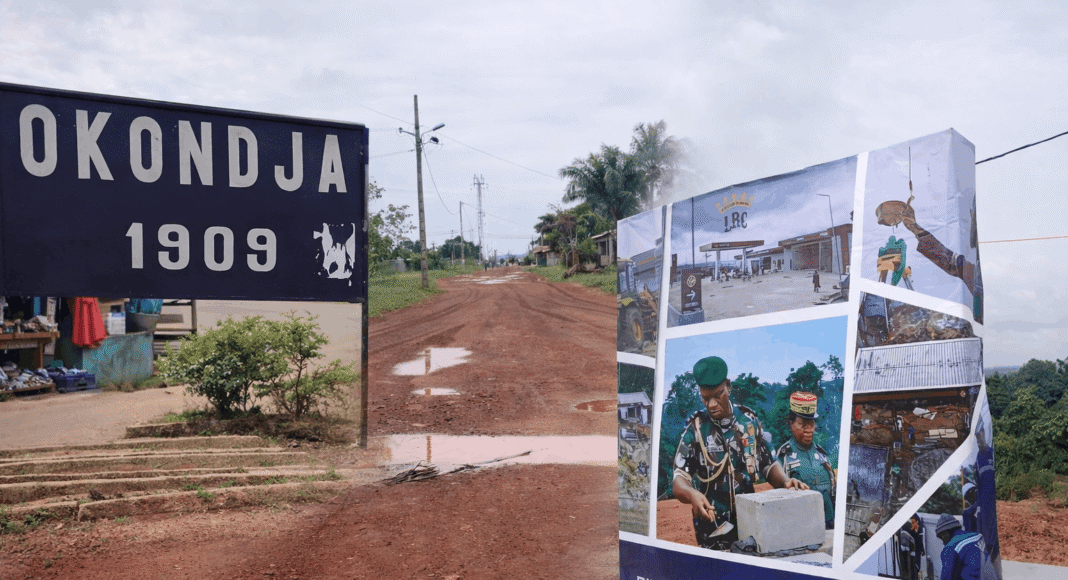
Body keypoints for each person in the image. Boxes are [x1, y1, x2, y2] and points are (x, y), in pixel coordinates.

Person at [672, 356, 809, 550]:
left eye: (717, 395)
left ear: (728, 386)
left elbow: (768, 463)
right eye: (705, 398)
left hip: (749, 524)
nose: (711, 404)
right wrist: (691, 493)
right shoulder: (695, 430)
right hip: (712, 529)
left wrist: (786, 480)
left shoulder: (749, 421)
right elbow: (679, 478)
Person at [775, 391, 836, 529]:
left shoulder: (822, 453)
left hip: (829, 525)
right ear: (791, 424)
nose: (808, 429)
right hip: (800, 526)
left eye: (811, 424)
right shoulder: (784, 455)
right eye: (802, 424)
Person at [936, 514, 982, 580]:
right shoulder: (978, 536)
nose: (943, 543)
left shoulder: (950, 547)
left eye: (941, 538)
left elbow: (946, 576)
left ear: (945, 534)